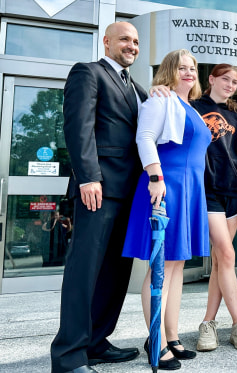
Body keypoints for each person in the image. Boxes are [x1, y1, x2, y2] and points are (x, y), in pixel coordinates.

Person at [51, 21, 148, 373]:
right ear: (106, 42)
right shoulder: (88, 73)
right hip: (99, 189)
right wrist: (88, 177)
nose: (132, 46)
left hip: (131, 193)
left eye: (136, 41)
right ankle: (68, 356)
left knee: (114, 272)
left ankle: (96, 341)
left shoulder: (138, 88)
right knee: (85, 270)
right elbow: (78, 128)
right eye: (125, 39)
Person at [122, 49, 211, 370]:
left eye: (192, 68)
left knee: (176, 267)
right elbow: (144, 137)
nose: (188, 73)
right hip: (166, 186)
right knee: (159, 267)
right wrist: (155, 176)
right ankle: (155, 340)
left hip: (190, 190)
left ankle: (170, 336)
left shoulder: (190, 107)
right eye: (181, 68)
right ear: (169, 72)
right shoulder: (160, 99)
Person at [190, 64, 237, 352]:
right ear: (212, 79)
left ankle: (208, 323)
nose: (230, 84)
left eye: (234, 81)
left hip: (234, 193)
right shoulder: (191, 107)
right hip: (206, 191)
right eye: (225, 79)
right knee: (227, 254)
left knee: (221, 261)